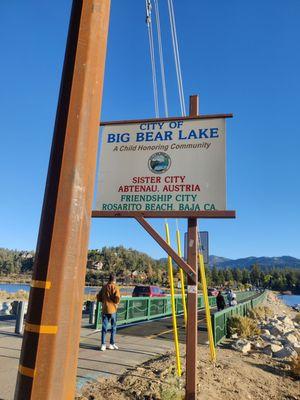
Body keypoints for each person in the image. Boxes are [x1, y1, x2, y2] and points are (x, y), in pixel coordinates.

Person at [97, 274, 120, 351]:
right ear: (114, 280)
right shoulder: (115, 287)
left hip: (105, 309)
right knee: (113, 327)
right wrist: (115, 303)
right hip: (113, 309)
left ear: (109, 279)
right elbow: (117, 298)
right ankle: (111, 344)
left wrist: (103, 301)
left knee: (104, 327)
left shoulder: (104, 287)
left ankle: (103, 344)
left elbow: (98, 297)